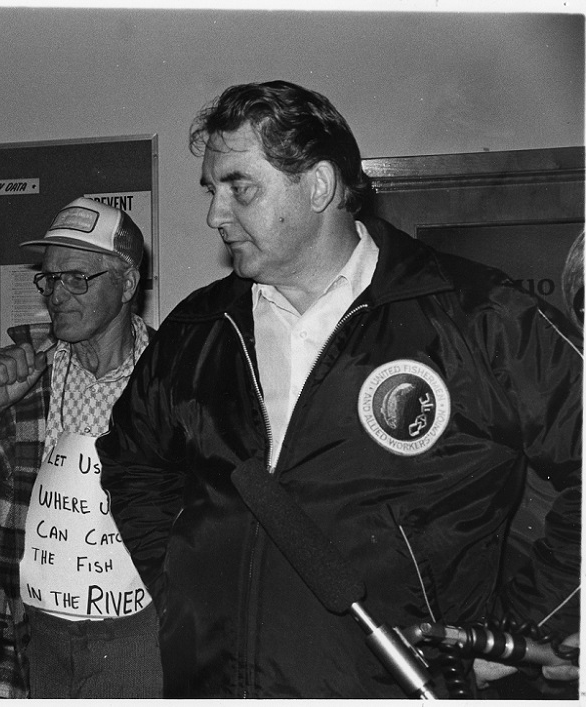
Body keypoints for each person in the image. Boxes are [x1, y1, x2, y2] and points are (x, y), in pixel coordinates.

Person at [96, 80, 582, 698]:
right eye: (212, 190)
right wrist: (179, 588)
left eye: (238, 187)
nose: (216, 215)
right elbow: (133, 462)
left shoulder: (479, 316)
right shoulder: (197, 328)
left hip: (396, 685)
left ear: (319, 186)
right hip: (214, 682)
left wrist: (513, 634)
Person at [0, 197, 162, 698]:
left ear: (127, 283)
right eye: (50, 278)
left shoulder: (173, 378)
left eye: (77, 278)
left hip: (142, 635)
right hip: (31, 637)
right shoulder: (20, 376)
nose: (57, 295)